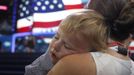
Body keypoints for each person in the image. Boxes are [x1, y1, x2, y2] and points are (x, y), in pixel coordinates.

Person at [24, 0, 133, 75]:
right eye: (57, 37)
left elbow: (33, 71)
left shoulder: (73, 63)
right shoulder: (127, 62)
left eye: (67, 45)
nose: (56, 46)